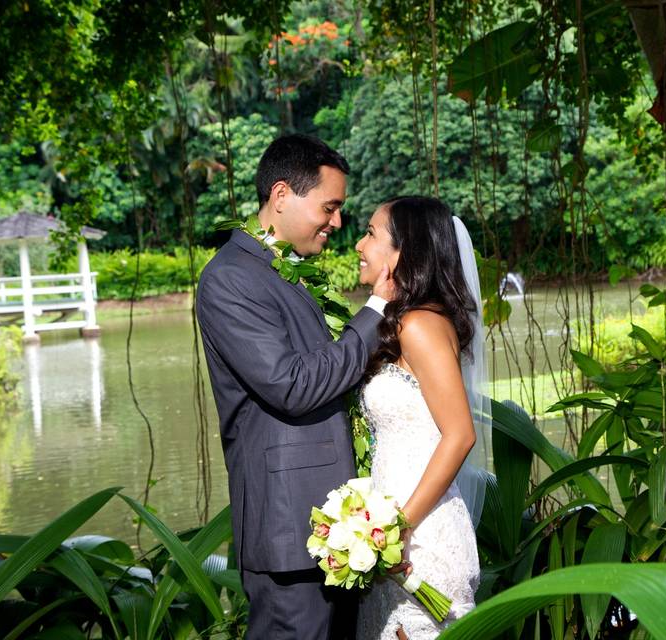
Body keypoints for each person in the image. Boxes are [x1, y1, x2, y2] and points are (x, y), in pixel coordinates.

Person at [196, 134, 394, 639]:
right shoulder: (230, 279)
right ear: (281, 196)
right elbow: (293, 385)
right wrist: (375, 311)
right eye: (329, 207)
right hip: (289, 530)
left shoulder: (289, 273)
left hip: (336, 530)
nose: (337, 222)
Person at [354, 196, 485, 639]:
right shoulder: (404, 322)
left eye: (371, 234)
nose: (359, 244)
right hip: (392, 535)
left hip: (421, 537)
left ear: (403, 252)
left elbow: (460, 434)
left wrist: (398, 527)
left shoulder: (420, 326)